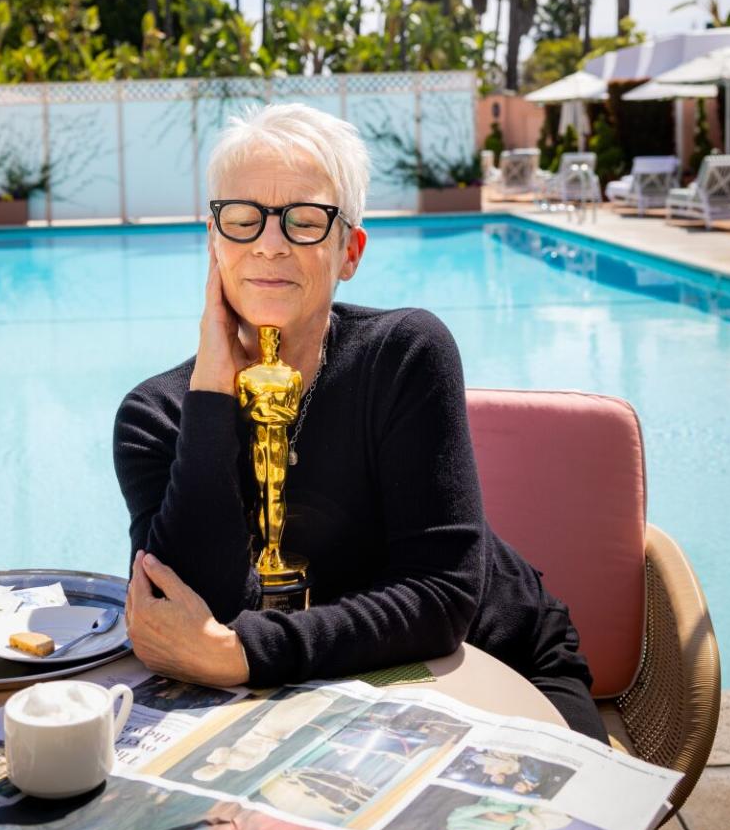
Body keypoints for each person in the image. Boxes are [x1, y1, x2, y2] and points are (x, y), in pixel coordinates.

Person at [114, 104, 607, 744]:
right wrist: (213, 391)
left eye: (305, 220)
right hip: (316, 691)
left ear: (350, 250)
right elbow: (183, 616)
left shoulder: (404, 354)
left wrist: (242, 653)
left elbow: (441, 598)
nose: (269, 242)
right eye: (241, 220)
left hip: (495, 665)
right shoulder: (155, 416)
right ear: (214, 243)